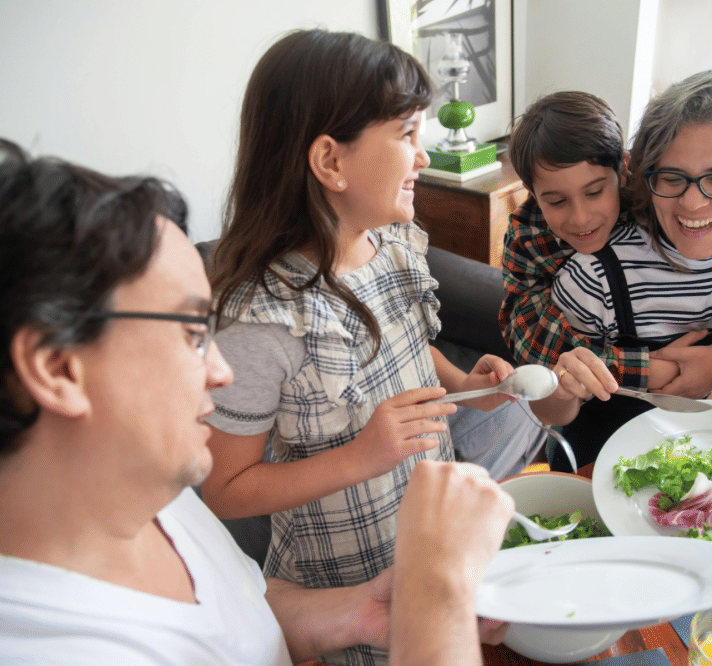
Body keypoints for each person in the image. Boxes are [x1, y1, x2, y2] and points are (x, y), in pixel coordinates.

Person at [0, 137, 515, 665]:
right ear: (57, 368)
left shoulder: (134, 492)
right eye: (193, 333)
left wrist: (360, 613)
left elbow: (239, 614)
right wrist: (438, 592)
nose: (221, 371)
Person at [199, 29, 530, 665]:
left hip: (428, 544)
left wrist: (463, 386)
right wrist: (362, 456)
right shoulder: (262, 320)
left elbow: (407, 350)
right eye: (407, 134)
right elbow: (226, 488)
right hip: (345, 588)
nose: (423, 157)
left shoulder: (396, 246)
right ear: (331, 161)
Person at [523, 71, 712, 462]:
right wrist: (563, 387)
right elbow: (551, 412)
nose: (692, 203)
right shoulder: (595, 274)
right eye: (672, 177)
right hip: (600, 466)